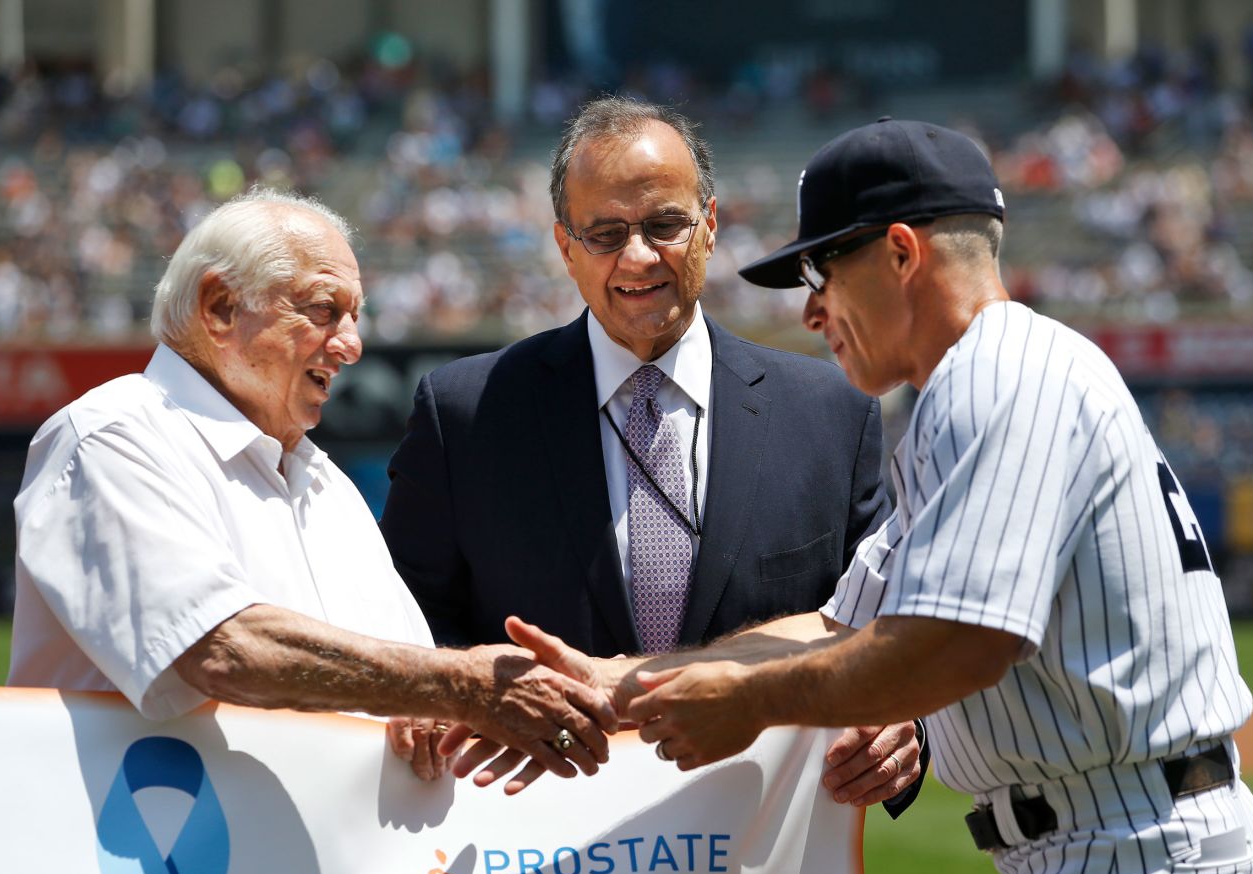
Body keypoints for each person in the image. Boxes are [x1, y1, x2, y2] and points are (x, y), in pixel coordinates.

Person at [593, 118, 1253, 874]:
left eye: (822, 269)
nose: (810, 308)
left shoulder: (994, 375)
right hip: (1110, 851)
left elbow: (959, 643)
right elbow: (840, 625)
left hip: (1129, 861)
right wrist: (609, 680)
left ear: (903, 254)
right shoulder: (973, 394)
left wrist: (753, 701)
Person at [379, 96, 924, 809]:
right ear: (565, 247)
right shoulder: (465, 413)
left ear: (710, 225)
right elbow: (404, 624)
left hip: (758, 873)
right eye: (604, 233)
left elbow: (888, 627)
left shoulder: (830, 411)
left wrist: (906, 724)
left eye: (664, 224)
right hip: (532, 872)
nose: (638, 256)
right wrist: (443, 690)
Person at [8, 187, 615, 779]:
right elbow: (218, 649)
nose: (351, 345)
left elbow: (397, 670)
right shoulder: (112, 436)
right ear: (220, 308)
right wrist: (457, 685)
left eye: (355, 317)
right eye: (324, 311)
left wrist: (431, 708)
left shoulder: (326, 485)